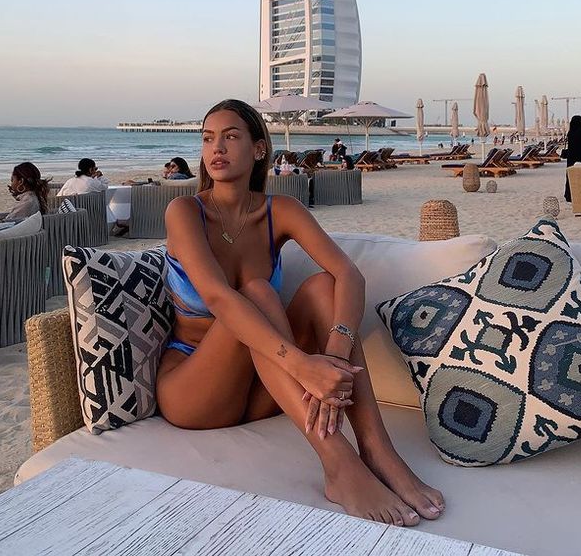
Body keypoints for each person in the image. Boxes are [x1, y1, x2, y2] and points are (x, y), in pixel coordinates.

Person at [156, 98, 444, 526]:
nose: (216, 147)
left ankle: (376, 448)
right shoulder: (184, 211)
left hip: (265, 389)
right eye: (208, 138)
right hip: (196, 389)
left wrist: (334, 353)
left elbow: (350, 276)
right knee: (254, 291)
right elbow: (218, 297)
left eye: (231, 136)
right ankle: (339, 465)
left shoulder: (280, 211)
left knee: (323, 287)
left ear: (257, 149)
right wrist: (303, 366)